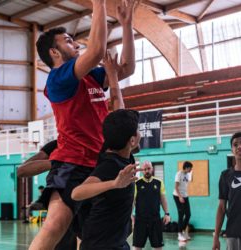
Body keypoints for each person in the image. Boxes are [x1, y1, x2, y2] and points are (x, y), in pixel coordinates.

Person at [30, 0, 137, 248]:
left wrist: (127, 24)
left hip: (99, 162)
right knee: (56, 224)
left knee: (88, 233)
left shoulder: (91, 77)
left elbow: (127, 68)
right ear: (54, 53)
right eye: (68, 41)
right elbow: (97, 50)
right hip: (73, 162)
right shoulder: (58, 79)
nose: (75, 43)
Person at [72, 109, 141, 250]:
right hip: (100, 244)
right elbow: (77, 193)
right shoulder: (110, 166)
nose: (141, 133)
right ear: (132, 140)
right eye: (138, 130)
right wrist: (114, 184)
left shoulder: (123, 154)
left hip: (116, 242)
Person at [133, 161, 171, 250]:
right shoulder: (136, 183)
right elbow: (132, 201)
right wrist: (130, 215)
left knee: (158, 246)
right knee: (137, 247)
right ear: (142, 170)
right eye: (145, 169)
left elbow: (163, 199)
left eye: (149, 168)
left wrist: (167, 213)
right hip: (140, 220)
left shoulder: (159, 182)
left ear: (152, 169)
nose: (147, 171)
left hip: (155, 220)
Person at [173, 161, 193, 241]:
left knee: (188, 214)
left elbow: (189, 180)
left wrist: (183, 196)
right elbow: (176, 187)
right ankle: (179, 233)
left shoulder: (188, 174)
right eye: (190, 168)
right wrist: (180, 197)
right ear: (187, 167)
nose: (191, 170)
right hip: (177, 196)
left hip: (185, 196)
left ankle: (184, 231)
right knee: (181, 214)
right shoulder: (179, 174)